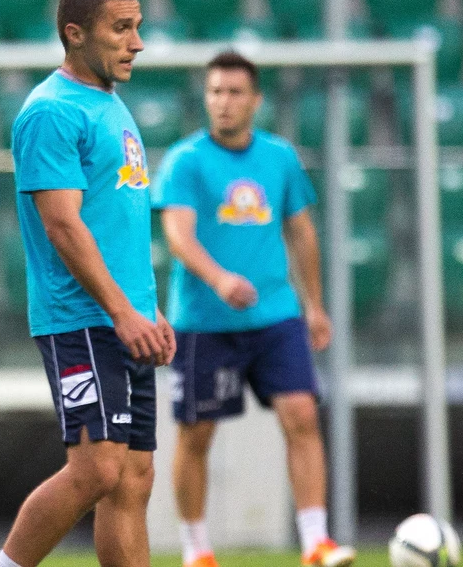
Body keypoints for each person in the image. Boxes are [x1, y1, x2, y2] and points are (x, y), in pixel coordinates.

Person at [0, 0, 175, 567]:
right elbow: (64, 226)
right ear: (75, 34)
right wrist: (124, 313)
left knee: (133, 478)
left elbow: (117, 223)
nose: (137, 42)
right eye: (122, 28)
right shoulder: (50, 113)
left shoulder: (111, 105)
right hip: (82, 319)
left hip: (127, 316)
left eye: (138, 26)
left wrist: (149, 310)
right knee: (97, 469)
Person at [151, 51, 357, 567]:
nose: (223, 102)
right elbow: (177, 234)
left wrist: (315, 304)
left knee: (302, 414)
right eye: (215, 92)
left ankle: (315, 541)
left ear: (256, 100)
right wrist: (220, 278)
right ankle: (197, 549)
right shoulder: (186, 160)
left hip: (275, 315)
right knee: (197, 434)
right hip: (204, 321)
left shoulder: (280, 157)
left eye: (234, 92)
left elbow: (301, 231)